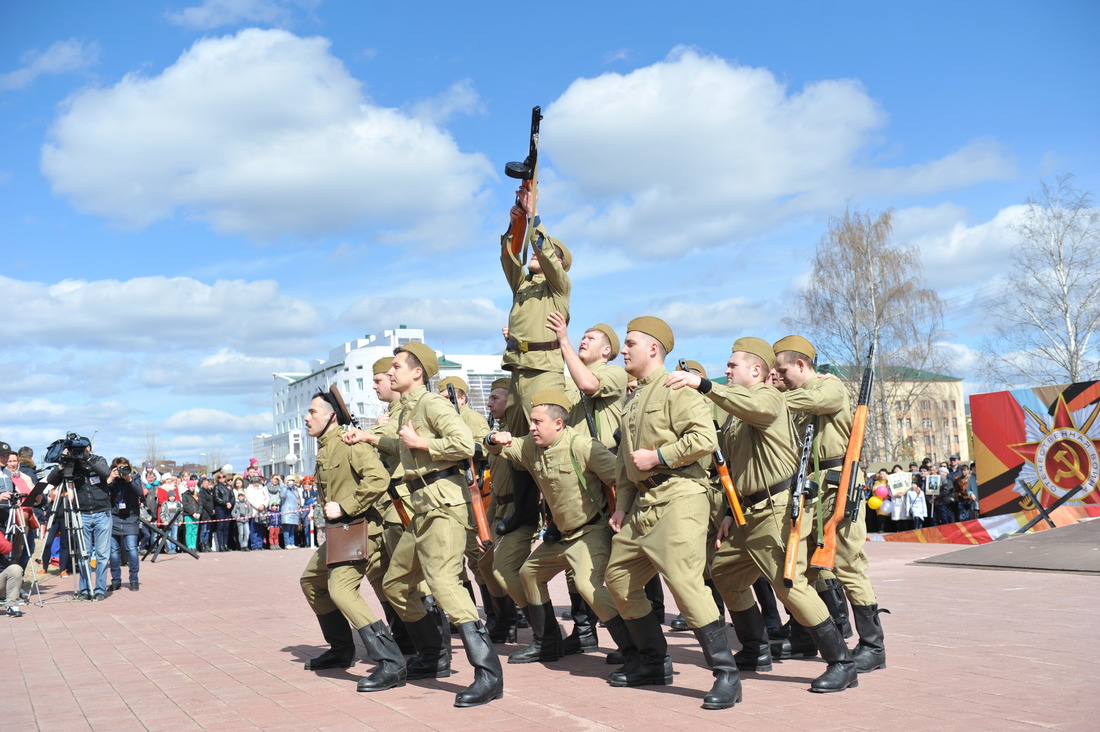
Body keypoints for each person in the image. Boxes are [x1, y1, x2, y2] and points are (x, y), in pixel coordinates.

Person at [667, 336, 857, 694]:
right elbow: (731, 467)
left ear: (757, 370)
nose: (725, 371)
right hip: (746, 512)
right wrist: (726, 510)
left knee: (789, 585)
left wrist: (705, 385)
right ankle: (754, 650)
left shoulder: (769, 397)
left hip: (775, 507)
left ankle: (842, 663)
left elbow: (758, 408)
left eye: (732, 365)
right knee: (724, 572)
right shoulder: (737, 414)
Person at [603, 317, 740, 711]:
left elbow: (704, 439)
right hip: (643, 503)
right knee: (618, 578)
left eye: (630, 343)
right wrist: (624, 505)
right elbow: (627, 463)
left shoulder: (675, 388)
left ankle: (726, 675)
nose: (623, 350)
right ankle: (653, 662)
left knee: (684, 582)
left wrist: (659, 456)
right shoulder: (631, 399)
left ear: (653, 349)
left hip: (681, 495)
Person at [364, 341, 504, 707]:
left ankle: (489, 675)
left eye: (396, 366)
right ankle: (432, 653)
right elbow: (400, 447)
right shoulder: (406, 409)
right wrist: (372, 436)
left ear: (417, 373)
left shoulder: (432, 403)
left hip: (444, 506)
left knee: (443, 582)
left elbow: (465, 444)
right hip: (422, 508)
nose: (390, 372)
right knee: (395, 584)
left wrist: (422, 442)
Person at [486, 389, 637, 669]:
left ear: (558, 423)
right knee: (526, 573)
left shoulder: (581, 446)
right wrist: (493, 437)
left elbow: (622, 477)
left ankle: (633, 648)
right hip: (561, 536)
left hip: (591, 531)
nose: (530, 427)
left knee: (587, 585)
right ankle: (547, 642)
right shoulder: (530, 446)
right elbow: (496, 448)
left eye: (537, 422)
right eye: (530, 421)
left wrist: (622, 509)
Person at [770, 335, 886, 675]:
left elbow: (814, 401)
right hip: (810, 488)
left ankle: (872, 645)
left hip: (839, 482)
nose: (779, 376)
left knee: (849, 564)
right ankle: (809, 635)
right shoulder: (794, 397)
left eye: (783, 369)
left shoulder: (829, 386)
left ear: (802, 365)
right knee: (804, 565)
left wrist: (770, 400)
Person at [298, 387, 406, 694]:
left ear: (332, 416)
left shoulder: (349, 444)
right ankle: (341, 649)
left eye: (313, 412)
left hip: (359, 530)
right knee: (311, 581)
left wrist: (346, 506)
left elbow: (378, 479)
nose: (307, 418)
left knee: (341, 590)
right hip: (339, 533)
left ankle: (391, 662)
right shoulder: (325, 448)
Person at [45, 438, 111, 601]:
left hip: (102, 512)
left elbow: (106, 473)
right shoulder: (71, 464)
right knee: (84, 554)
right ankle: (85, 589)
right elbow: (51, 479)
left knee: (102, 554)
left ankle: (100, 588)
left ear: (89, 448)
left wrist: (87, 459)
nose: (80, 451)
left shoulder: (98, 459)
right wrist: (63, 463)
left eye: (83, 448)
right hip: (82, 513)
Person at [107, 457, 143, 591]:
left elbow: (140, 493)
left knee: (132, 549)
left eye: (125, 467)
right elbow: (103, 493)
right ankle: (116, 580)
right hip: (114, 517)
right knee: (114, 551)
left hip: (131, 517)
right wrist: (110, 478)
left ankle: (134, 579)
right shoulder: (111, 479)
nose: (122, 470)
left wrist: (129, 480)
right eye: (119, 468)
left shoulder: (134, 476)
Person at [212, 472, 235, 552]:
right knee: (220, 526)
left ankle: (225, 544)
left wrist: (230, 503)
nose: (222, 478)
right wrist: (225, 503)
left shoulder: (229, 487)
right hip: (220, 508)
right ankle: (221, 545)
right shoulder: (216, 487)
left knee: (226, 527)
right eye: (220, 477)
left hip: (228, 509)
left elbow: (233, 497)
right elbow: (216, 498)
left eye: (223, 477)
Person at [281, 475, 302, 548]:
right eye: (290, 481)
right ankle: (287, 544)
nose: (291, 482)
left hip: (294, 510)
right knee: (287, 528)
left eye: (293, 481)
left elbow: (298, 498)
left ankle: (292, 543)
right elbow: (282, 496)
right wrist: (285, 486)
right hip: (287, 510)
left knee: (292, 528)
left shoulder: (295, 489)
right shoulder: (284, 489)